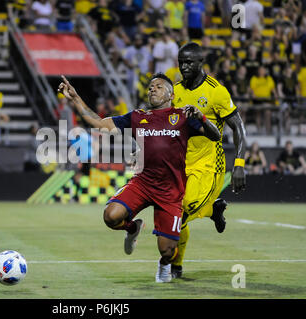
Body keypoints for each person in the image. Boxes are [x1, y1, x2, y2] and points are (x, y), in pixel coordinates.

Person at [58, 73, 221, 283]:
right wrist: (75, 97)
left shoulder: (183, 117)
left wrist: (202, 117)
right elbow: (97, 122)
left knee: (167, 250)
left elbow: (216, 136)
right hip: (143, 183)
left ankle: (164, 264)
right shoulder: (137, 117)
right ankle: (132, 227)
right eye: (150, 86)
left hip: (170, 191)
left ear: (171, 94)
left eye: (159, 86)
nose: (152, 89)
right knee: (111, 216)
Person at [171, 42, 247, 278]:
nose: (183, 67)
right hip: (182, 163)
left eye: (189, 62)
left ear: (200, 63)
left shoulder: (216, 91)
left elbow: (238, 128)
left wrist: (239, 165)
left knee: (179, 212)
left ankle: (173, 267)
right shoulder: (175, 91)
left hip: (209, 163)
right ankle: (212, 209)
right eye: (180, 62)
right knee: (172, 213)